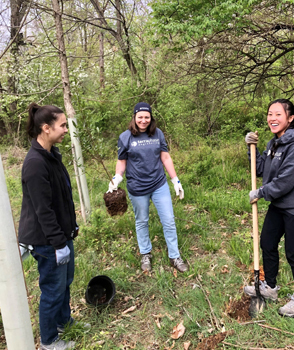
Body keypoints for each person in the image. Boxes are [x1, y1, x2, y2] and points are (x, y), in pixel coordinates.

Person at [18, 103, 87, 350]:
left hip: (60, 235)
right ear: (46, 128)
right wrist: (58, 243)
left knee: (64, 283)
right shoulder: (35, 163)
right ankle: (49, 341)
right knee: (52, 290)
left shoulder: (51, 155)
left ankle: (63, 323)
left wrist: (71, 228)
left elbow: (61, 198)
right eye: (63, 125)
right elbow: (43, 210)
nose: (66, 130)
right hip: (47, 241)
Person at [243, 98, 294, 317]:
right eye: (269, 114)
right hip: (279, 206)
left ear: (290, 118)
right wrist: (251, 148)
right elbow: (259, 170)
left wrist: (261, 193)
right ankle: (270, 288)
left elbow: (285, 181)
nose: (272, 119)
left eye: (278, 114)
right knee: (267, 243)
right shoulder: (273, 144)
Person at [107, 102, 188, 273]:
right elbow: (122, 161)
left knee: (169, 221)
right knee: (142, 221)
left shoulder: (157, 134)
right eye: (140, 117)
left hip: (159, 184)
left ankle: (174, 256)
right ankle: (145, 253)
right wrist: (117, 178)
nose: (143, 121)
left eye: (147, 117)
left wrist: (175, 180)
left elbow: (165, 157)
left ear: (151, 118)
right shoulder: (125, 137)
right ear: (134, 118)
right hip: (137, 188)